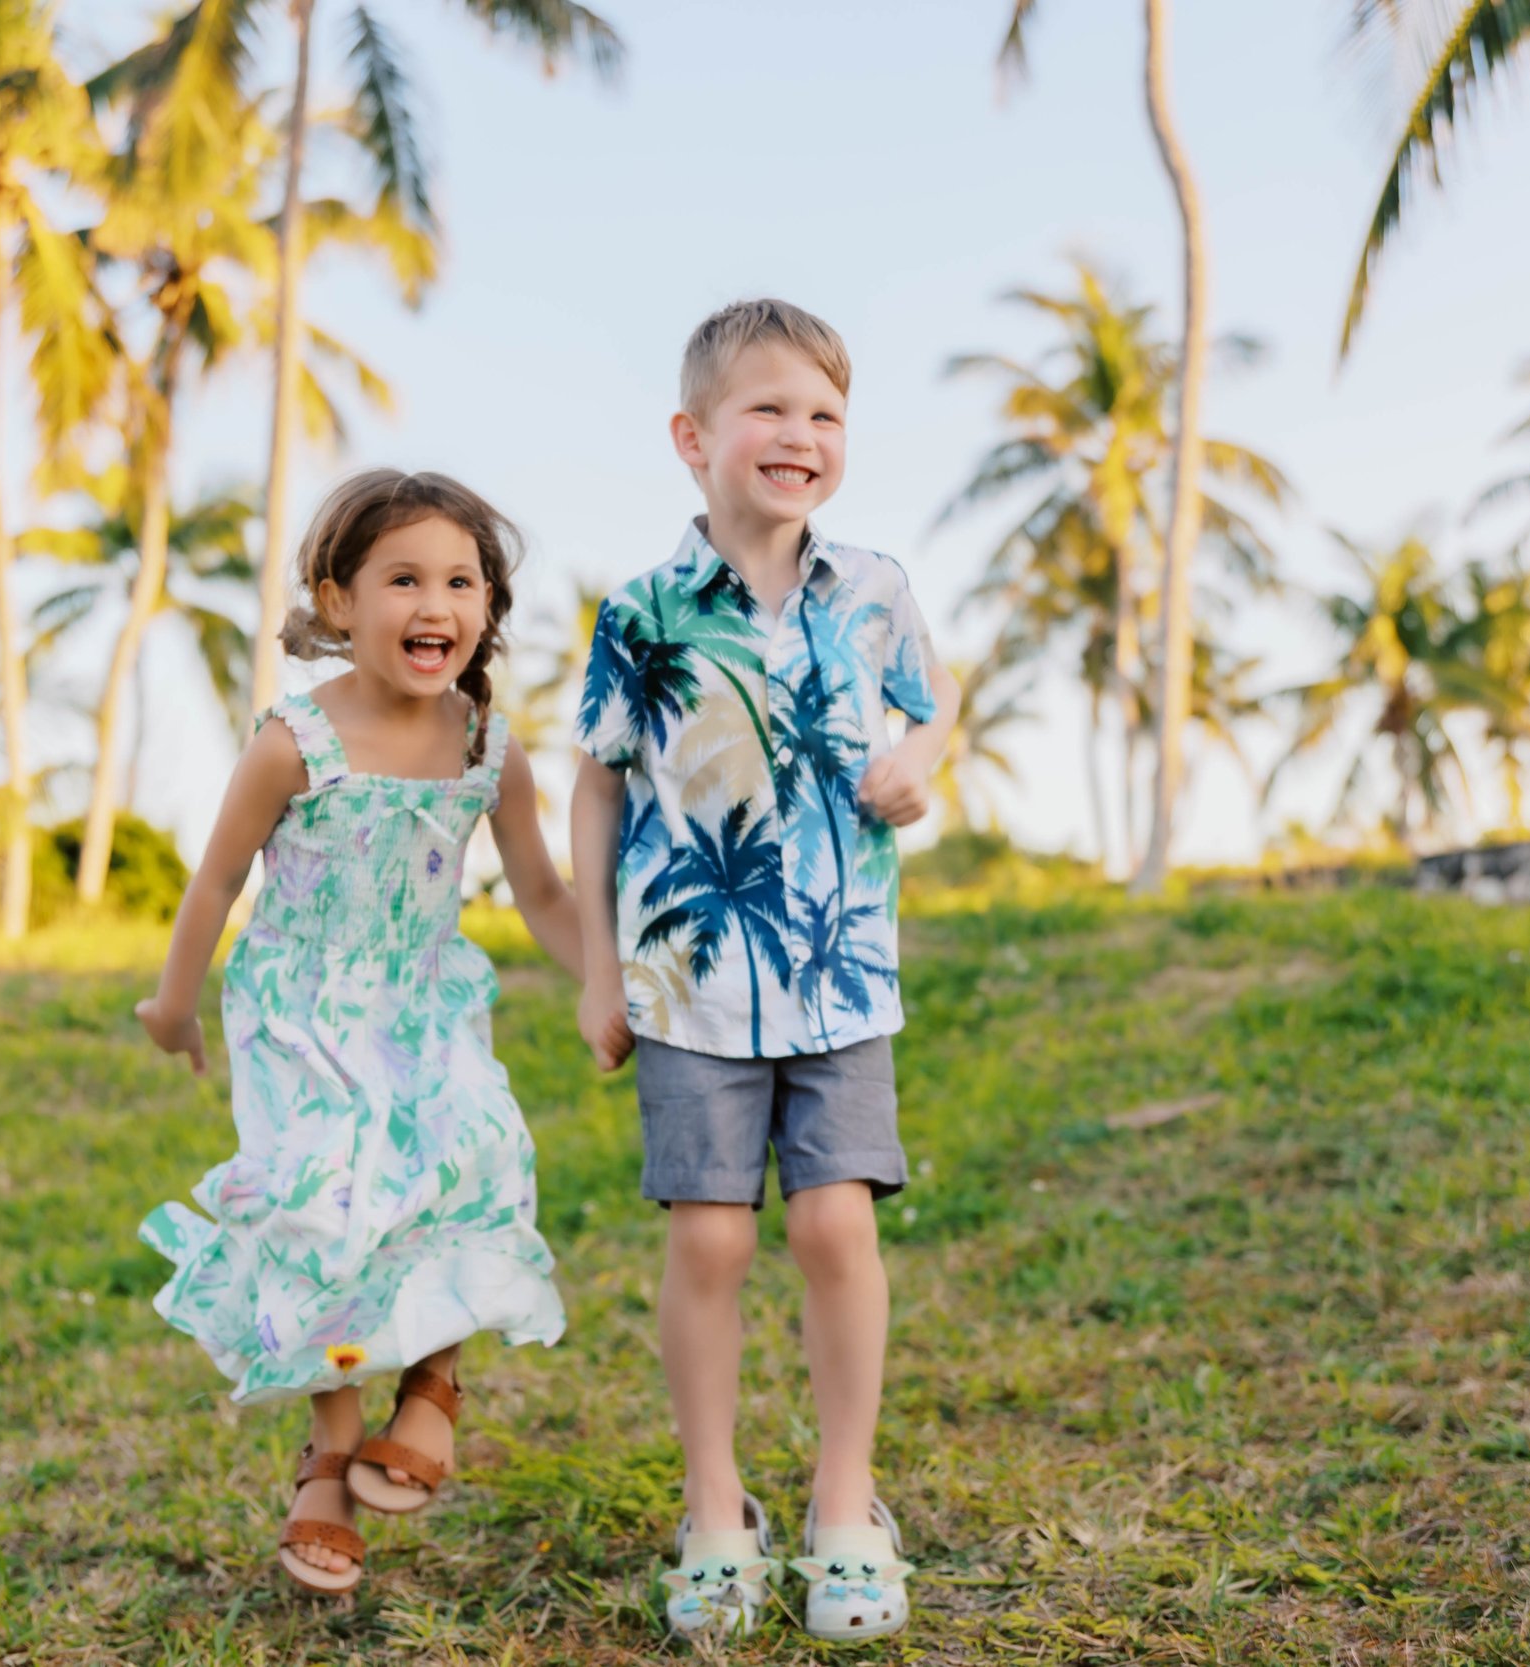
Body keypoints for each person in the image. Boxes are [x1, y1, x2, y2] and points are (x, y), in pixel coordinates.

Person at [572, 299, 957, 1640]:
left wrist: (921, 757)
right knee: (714, 1235)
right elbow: (598, 785)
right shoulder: (644, 609)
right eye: (770, 410)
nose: (801, 435)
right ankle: (715, 1501)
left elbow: (935, 701)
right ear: (695, 436)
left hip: (844, 976)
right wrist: (592, 971)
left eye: (826, 414)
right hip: (687, 980)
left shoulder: (878, 588)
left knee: (834, 1224)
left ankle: (847, 1502)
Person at [137, 468, 584, 1595]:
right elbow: (216, 879)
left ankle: (432, 1383)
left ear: (486, 606)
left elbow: (542, 893)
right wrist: (175, 1000)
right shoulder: (294, 741)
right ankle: (330, 1446)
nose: (433, 603)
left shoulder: (490, 745)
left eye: (459, 580)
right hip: (301, 1012)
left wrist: (604, 985)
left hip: (425, 1001)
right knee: (322, 1208)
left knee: (465, 1161)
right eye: (402, 579)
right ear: (338, 600)